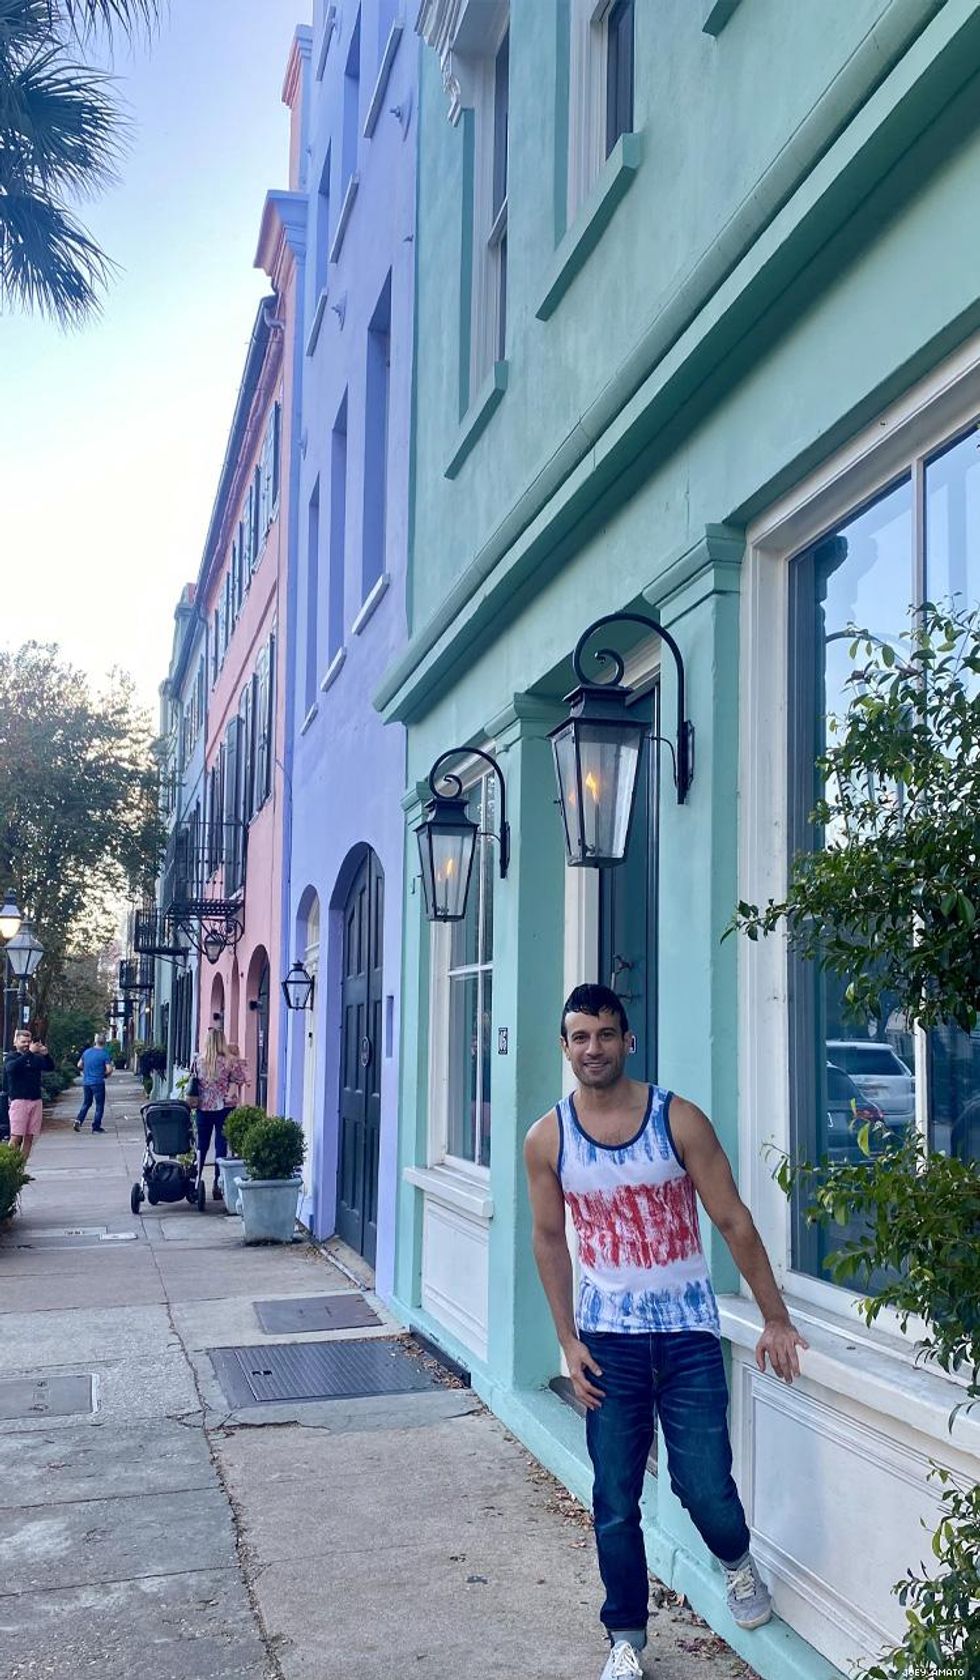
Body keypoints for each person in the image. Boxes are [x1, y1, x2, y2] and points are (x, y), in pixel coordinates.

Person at [524, 984, 808, 1680]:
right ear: (564, 1048)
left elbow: (733, 1219)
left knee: (703, 1482)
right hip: (607, 1344)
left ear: (629, 1041)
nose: (594, 1048)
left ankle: (736, 1562)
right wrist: (568, 1339)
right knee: (615, 1496)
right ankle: (624, 1636)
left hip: (686, 1337)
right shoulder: (548, 1137)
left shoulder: (676, 1119)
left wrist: (774, 1315)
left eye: (606, 1034)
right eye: (580, 1037)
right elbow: (549, 1240)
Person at [188, 1027, 246, 1200]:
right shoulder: (230, 1062)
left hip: (203, 1107)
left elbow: (193, 1079)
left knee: (202, 1146)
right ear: (222, 1041)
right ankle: (218, 1183)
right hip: (224, 1107)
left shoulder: (199, 1060)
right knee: (221, 1145)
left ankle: (196, 1181)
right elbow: (239, 1080)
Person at [3, 1026, 55, 1165]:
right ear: (16, 1043)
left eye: (28, 1041)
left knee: (30, 1136)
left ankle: (22, 1165)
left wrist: (46, 1054)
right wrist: (29, 1054)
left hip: (35, 1100)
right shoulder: (11, 1057)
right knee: (16, 1135)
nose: (26, 1044)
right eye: (23, 1042)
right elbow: (11, 1069)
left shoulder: (35, 1058)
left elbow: (49, 1067)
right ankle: (9, 1164)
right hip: (19, 1100)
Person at [73, 1031, 114, 1133]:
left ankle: (79, 1120)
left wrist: (85, 1070)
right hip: (98, 1082)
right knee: (99, 1105)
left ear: (95, 1042)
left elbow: (79, 1065)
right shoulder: (104, 1054)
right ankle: (96, 1127)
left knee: (86, 1103)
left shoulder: (86, 1052)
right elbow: (109, 1069)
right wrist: (105, 1075)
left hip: (86, 1082)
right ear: (104, 1042)